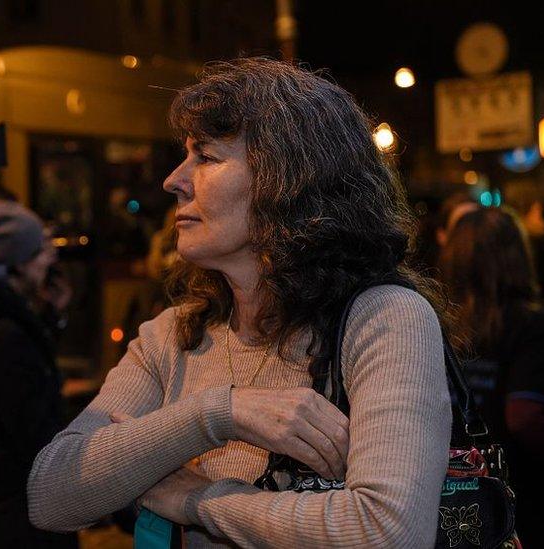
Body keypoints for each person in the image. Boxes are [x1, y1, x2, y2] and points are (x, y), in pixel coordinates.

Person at [27, 58, 452, 547]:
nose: (173, 180)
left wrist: (196, 499)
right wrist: (216, 414)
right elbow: (51, 494)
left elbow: (387, 532)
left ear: (288, 180)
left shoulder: (383, 320)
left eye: (205, 157)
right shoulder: (173, 336)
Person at [0, 199, 78, 549]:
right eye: (40, 253)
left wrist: (52, 318)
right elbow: (35, 436)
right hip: (21, 516)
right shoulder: (8, 337)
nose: (50, 260)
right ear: (17, 265)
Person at [438, 207, 544, 544]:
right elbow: (525, 416)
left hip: (442, 494)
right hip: (517, 497)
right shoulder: (531, 325)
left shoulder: (434, 323)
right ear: (517, 256)